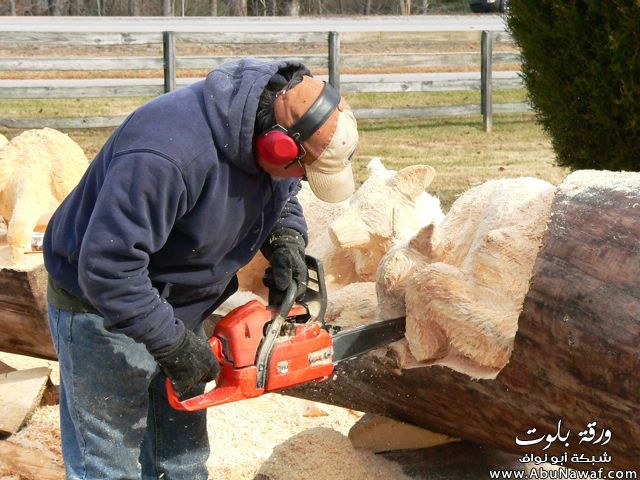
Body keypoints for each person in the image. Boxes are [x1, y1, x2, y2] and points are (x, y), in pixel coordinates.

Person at [43, 58, 359, 479]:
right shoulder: (165, 154)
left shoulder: (272, 129)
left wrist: (285, 240)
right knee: (108, 464)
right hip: (101, 311)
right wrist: (172, 344)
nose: (300, 177)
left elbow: (282, 191)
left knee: (182, 462)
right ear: (275, 145)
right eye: (301, 167)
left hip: (181, 303)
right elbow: (107, 267)